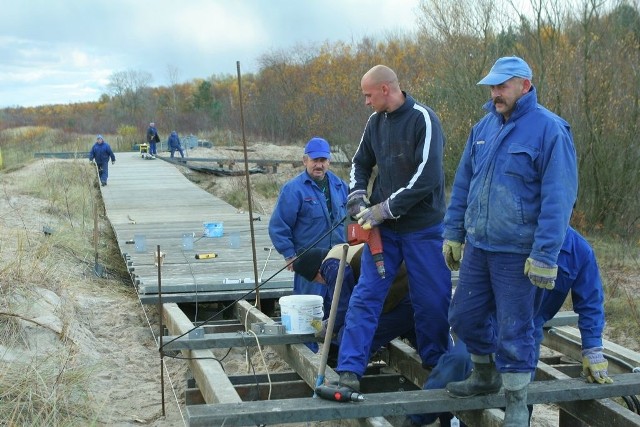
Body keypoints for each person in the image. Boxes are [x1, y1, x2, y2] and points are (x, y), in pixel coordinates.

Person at [442, 56, 578, 426]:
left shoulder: (550, 130)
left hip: (519, 253)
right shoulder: (483, 128)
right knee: (462, 316)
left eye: (503, 85)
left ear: (525, 86)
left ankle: (517, 402)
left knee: (515, 328)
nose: (495, 92)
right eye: (493, 86)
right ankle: (485, 376)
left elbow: (559, 197)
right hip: (479, 246)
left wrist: (546, 254)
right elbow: (463, 185)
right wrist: (454, 233)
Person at [405, 227, 609, 426]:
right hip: (488, 320)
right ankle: (415, 419)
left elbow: (590, 303)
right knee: (457, 364)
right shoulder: (512, 233)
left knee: (519, 391)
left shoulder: (580, 252)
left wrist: (592, 348)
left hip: (527, 328)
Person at [335, 64, 452, 393]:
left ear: (385, 89)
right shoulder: (374, 124)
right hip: (384, 234)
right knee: (367, 296)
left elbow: (427, 177)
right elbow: (360, 162)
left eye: (368, 95)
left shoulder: (423, 120)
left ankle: (436, 362)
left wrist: (384, 209)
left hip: (423, 229)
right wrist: (357, 197)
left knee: (432, 299)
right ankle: (349, 368)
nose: (366, 102)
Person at [292, 244, 416, 358]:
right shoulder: (339, 251)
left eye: (317, 280)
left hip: (398, 298)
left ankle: (351, 375)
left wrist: (328, 327)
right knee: (424, 343)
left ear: (318, 272)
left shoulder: (331, 267)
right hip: (414, 291)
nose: (322, 283)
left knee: (348, 338)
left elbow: (341, 308)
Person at [268, 136, 348, 301]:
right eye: (314, 160)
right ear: (305, 161)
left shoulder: (341, 186)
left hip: (338, 261)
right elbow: (278, 226)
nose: (319, 165)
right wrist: (290, 256)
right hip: (310, 265)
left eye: (323, 160)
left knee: (340, 311)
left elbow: (353, 219)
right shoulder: (293, 189)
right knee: (310, 315)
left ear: (329, 162)